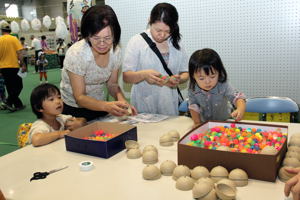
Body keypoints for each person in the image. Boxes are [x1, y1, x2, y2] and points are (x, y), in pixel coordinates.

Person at [60, 5, 136, 122]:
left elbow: (112, 85)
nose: (102, 44)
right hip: (74, 109)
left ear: (115, 35)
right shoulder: (77, 54)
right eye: (95, 38)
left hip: (99, 105)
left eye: (107, 38)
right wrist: (107, 106)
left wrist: (122, 101)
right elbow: (79, 97)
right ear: (87, 35)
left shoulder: (115, 52)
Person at [122, 3, 189, 115]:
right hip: (144, 104)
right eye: (158, 30)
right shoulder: (137, 42)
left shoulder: (176, 42)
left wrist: (179, 79)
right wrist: (144, 74)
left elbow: (185, 72)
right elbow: (126, 77)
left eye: (167, 31)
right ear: (150, 21)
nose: (162, 35)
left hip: (169, 105)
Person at [188, 48, 246, 127]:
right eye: (201, 78)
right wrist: (197, 123)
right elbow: (193, 106)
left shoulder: (223, 84)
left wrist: (240, 109)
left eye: (212, 76)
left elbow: (237, 97)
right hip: (204, 123)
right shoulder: (193, 88)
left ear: (219, 72)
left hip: (225, 122)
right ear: (193, 76)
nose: (207, 82)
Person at [0, 23, 26, 112]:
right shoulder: (14, 39)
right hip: (14, 66)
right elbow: (19, 53)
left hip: (3, 67)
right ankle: (8, 102)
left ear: (1, 30)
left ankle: (17, 105)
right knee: (19, 86)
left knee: (10, 87)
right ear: (9, 30)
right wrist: (23, 64)